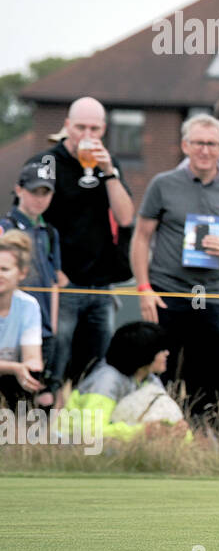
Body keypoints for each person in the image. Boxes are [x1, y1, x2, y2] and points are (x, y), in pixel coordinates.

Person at [132, 114, 219, 422]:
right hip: (166, 292)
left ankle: (204, 444)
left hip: (212, 296)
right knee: (162, 372)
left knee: (210, 378)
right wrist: (144, 289)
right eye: (198, 143)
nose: (205, 150)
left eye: (212, 144)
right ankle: (159, 435)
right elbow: (141, 237)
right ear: (185, 145)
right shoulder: (163, 184)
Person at [28, 97, 135, 390]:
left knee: (96, 367)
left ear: (104, 130)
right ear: (66, 126)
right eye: (80, 127)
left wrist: (109, 172)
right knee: (54, 360)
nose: (87, 136)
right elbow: (29, 222)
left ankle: (85, 429)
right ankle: (43, 424)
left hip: (101, 285)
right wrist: (51, 271)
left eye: (94, 129)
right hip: (62, 284)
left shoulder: (109, 166)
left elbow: (126, 218)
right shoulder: (46, 163)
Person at [55, 321, 186, 442]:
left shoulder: (151, 380)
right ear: (145, 352)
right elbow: (91, 433)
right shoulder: (106, 381)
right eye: (161, 350)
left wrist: (181, 433)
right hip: (72, 445)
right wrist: (143, 431)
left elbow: (166, 423)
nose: (167, 353)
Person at [2, 161, 62, 406]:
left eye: (45, 193)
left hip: (43, 327)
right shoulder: (6, 228)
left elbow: (55, 280)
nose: (39, 199)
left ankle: (37, 443)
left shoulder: (49, 232)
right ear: (19, 190)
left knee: (45, 391)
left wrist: (53, 326)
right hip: (13, 323)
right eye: (33, 191)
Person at [0, 233, 44, 408]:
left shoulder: (29, 305)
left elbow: (33, 358)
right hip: (10, 368)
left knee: (32, 374)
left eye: (4, 269)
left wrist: (29, 368)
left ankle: (20, 428)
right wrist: (15, 368)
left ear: (22, 273)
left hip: (8, 374)